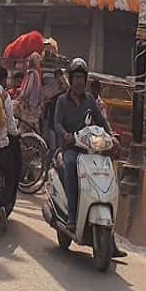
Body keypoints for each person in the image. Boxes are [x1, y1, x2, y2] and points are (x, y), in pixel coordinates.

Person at [53, 59, 113, 232]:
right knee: (71, 164)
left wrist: (112, 136)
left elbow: (101, 120)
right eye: (76, 77)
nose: (79, 81)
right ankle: (72, 215)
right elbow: (56, 123)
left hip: (89, 149)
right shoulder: (62, 101)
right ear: (71, 79)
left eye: (82, 77)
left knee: (103, 166)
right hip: (71, 148)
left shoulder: (90, 100)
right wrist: (65, 134)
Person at [0, 66, 21, 210]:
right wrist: (16, 133)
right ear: (4, 79)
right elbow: (9, 124)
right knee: (12, 171)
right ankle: (5, 204)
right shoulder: (4, 96)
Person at [16, 52, 43, 131]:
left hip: (29, 106)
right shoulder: (36, 74)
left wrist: (19, 98)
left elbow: (28, 89)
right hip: (33, 105)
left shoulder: (32, 74)